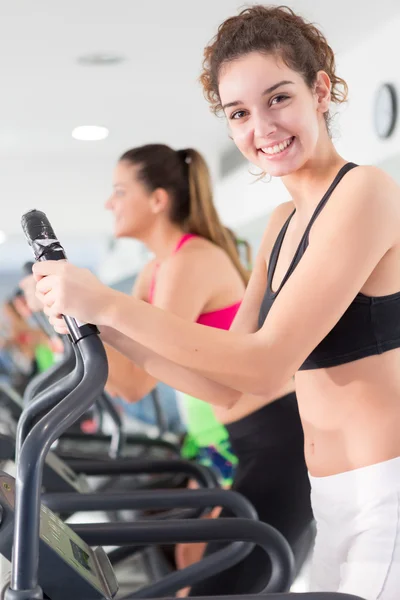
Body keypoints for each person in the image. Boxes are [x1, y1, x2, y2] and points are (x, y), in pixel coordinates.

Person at [32, 3, 400, 596]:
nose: (263, 128)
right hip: (329, 495)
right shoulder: (282, 225)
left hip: (385, 497)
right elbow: (232, 383)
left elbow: (267, 362)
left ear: (321, 89)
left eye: (278, 98)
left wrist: (106, 301)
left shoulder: (366, 192)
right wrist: (96, 323)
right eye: (240, 113)